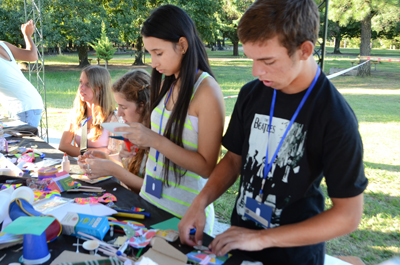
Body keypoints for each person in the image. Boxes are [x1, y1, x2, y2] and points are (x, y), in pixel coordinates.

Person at [178, 0, 368, 264]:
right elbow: (234, 160)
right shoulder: (252, 93)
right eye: (252, 60)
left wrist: (263, 238)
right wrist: (200, 202)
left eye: (267, 61)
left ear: (304, 50)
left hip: (292, 255)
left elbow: (348, 215)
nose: (257, 71)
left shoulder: (335, 117)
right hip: (240, 243)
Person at [114, 5, 225, 235]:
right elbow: (166, 141)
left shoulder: (206, 91)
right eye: (150, 53)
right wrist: (140, 142)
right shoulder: (168, 82)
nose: (153, 62)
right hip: (151, 199)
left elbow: (206, 167)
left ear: (182, 45)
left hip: (183, 214)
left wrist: (154, 140)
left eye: (159, 53)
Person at [78, 69, 151, 193]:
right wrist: (106, 158)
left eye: (124, 107)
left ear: (143, 106)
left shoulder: (156, 139)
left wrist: (113, 170)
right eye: (118, 106)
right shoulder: (133, 132)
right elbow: (129, 168)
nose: (120, 113)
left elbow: (152, 189)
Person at [59, 65, 118, 157]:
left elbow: (116, 156)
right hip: (80, 168)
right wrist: (95, 151)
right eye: (80, 82)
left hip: (103, 170)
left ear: (101, 88)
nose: (81, 87)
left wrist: (77, 151)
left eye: (88, 84)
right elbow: (63, 146)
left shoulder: (114, 118)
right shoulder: (76, 113)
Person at [0, 20, 44, 127]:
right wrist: (27, 35)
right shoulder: (2, 45)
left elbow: (32, 57)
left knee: (24, 143)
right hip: (27, 104)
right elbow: (32, 56)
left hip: (23, 107)